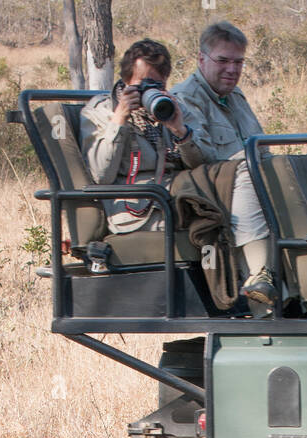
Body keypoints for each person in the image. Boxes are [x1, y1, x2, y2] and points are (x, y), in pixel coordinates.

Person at [171, 21, 276, 309]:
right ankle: (258, 279)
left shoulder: (235, 96)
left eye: (238, 61)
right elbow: (196, 158)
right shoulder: (186, 97)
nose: (232, 69)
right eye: (223, 60)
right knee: (246, 168)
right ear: (201, 59)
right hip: (214, 192)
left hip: (249, 188)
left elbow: (260, 146)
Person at [80, 39, 206, 238]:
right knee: (213, 222)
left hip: (180, 196)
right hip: (136, 208)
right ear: (126, 81)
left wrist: (180, 131)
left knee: (229, 205)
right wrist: (119, 119)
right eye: (143, 85)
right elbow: (101, 176)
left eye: (156, 85)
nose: (150, 92)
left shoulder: (172, 107)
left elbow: (205, 164)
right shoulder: (101, 111)